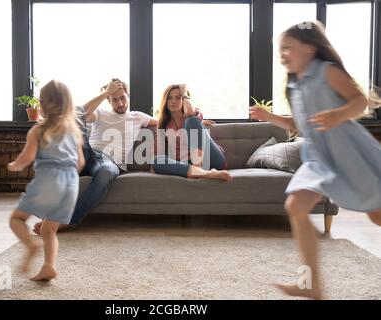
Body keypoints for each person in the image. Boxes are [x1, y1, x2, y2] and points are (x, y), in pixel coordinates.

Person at [250, 21, 381, 299]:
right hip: (318, 157)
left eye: (287, 48)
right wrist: (270, 117)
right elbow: (300, 123)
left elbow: (359, 102)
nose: (282, 54)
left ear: (309, 48)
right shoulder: (296, 84)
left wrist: (337, 115)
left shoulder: (327, 72)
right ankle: (311, 283)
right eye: (280, 50)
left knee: (376, 214)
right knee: (296, 206)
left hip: (347, 151)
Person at [33, 78, 158, 234]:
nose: (120, 103)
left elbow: (165, 122)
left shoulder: (138, 117)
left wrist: (193, 116)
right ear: (109, 100)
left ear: (128, 96)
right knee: (76, 113)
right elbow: (80, 113)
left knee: (106, 173)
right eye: (115, 99)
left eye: (122, 98)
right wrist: (106, 92)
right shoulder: (101, 114)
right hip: (87, 153)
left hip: (109, 162)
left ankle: (66, 221)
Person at [8, 80, 85, 281]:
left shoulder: (38, 130)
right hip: (71, 185)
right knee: (49, 229)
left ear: (43, 104)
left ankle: (31, 245)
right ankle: (49, 266)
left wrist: (14, 165)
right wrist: (67, 177)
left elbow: (27, 157)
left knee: (16, 219)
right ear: (68, 105)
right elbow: (81, 162)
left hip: (49, 181)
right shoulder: (74, 132)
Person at [153, 84, 232, 181]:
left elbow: (190, 112)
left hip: (211, 158)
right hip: (187, 164)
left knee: (192, 120)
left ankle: (197, 170)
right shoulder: (162, 126)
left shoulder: (192, 115)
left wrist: (185, 94)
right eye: (169, 98)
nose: (173, 101)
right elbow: (157, 155)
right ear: (165, 101)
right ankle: (205, 173)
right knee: (157, 161)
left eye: (178, 98)